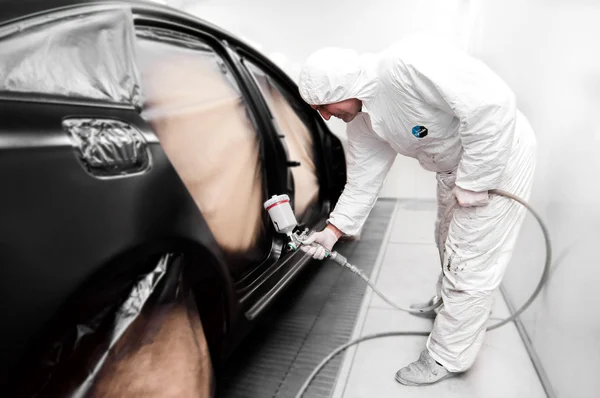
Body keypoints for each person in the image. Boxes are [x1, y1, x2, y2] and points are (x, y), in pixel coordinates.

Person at [298, 37, 537, 386]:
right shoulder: (363, 123)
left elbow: (492, 105)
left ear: (343, 86)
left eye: (325, 105)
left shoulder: (403, 67)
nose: (325, 115)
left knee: (469, 260)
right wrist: (332, 232)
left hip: (499, 158)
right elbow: (363, 181)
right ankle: (449, 306)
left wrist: (476, 179)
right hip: (456, 169)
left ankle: (447, 356)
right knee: (446, 239)